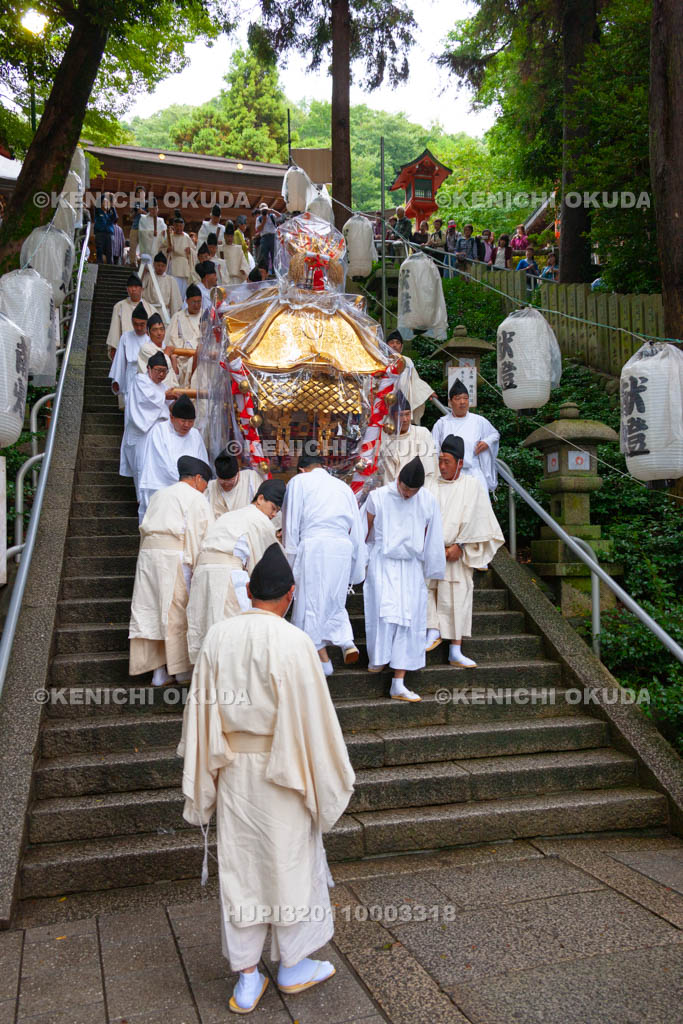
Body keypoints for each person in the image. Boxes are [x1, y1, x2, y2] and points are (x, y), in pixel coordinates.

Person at [177, 543, 355, 1014]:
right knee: (291, 864)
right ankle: (294, 965)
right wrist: (326, 776)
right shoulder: (294, 641)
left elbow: (201, 713)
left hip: (235, 769)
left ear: (249, 592)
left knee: (242, 869)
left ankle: (247, 977)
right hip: (286, 770)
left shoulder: (218, 636)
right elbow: (315, 721)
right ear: (290, 594)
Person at [363, 457, 445, 701]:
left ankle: (399, 680)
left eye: (413, 491)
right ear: (397, 479)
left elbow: (433, 536)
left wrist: (433, 567)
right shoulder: (377, 497)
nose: (407, 494)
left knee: (409, 620)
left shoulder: (427, 500)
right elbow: (364, 532)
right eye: (405, 489)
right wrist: (362, 562)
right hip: (383, 561)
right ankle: (378, 658)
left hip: (410, 565)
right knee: (382, 613)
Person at [129, 455, 213, 687]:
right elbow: (200, 535)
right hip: (174, 557)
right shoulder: (195, 498)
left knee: (152, 611)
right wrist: (198, 566)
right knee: (177, 613)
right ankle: (181, 671)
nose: (205, 488)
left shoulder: (158, 495)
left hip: (148, 557)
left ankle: (158, 671)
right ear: (198, 479)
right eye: (205, 483)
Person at [282, 449, 366, 676]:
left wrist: (289, 563)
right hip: (341, 548)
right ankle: (346, 640)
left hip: (315, 545)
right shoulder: (343, 487)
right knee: (334, 600)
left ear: (302, 468)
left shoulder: (299, 482)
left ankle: (324, 661)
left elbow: (291, 525)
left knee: (309, 603)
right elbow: (357, 531)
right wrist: (357, 568)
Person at [426, 434, 504, 667]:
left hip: (458, 552)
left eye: (447, 461)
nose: (442, 466)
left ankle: (455, 649)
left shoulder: (472, 485)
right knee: (428, 590)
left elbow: (480, 520)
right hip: (431, 550)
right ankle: (431, 629)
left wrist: (460, 546)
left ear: (460, 462)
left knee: (457, 595)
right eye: (440, 460)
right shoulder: (430, 483)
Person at [186, 479, 285, 663]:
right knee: (232, 628)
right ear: (260, 499)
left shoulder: (231, 515)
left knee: (206, 625)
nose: (273, 514)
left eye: (277, 511)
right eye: (273, 508)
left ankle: (207, 675)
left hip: (202, 573)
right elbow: (266, 562)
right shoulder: (260, 521)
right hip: (227, 574)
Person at [138, 395, 209, 521]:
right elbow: (161, 465)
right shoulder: (159, 431)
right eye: (183, 421)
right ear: (171, 417)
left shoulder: (195, 435)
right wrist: (188, 483)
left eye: (190, 421)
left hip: (191, 491)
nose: (187, 425)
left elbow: (202, 463)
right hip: (162, 487)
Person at [120, 351, 176, 497]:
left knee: (157, 466)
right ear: (148, 369)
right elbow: (146, 400)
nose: (161, 375)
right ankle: (142, 500)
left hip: (159, 433)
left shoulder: (163, 387)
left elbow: (168, 405)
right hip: (142, 432)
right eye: (158, 370)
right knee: (143, 465)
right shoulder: (140, 380)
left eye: (164, 371)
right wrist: (165, 396)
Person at [432, 379, 500, 491]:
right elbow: (433, 449)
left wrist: (487, 442)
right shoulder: (442, 424)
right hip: (450, 476)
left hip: (474, 473)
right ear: (450, 402)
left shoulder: (478, 421)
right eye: (458, 399)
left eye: (465, 398)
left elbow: (494, 434)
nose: (462, 402)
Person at [380, 392, 438, 484]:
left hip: (424, 487)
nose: (405, 419)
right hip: (399, 490)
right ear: (392, 416)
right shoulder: (387, 442)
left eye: (407, 414)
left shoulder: (422, 433)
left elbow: (429, 468)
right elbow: (389, 478)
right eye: (400, 415)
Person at [385, 329, 435, 423]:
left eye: (397, 343)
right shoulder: (381, 361)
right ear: (386, 345)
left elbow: (415, 380)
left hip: (404, 398)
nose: (394, 345)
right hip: (385, 399)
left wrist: (428, 392)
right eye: (391, 343)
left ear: (401, 346)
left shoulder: (407, 361)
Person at [109, 302, 150, 401]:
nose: (139, 328)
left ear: (146, 323)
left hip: (147, 377)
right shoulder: (126, 337)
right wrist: (117, 379)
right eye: (136, 324)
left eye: (142, 324)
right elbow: (120, 361)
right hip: (130, 376)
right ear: (132, 322)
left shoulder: (150, 338)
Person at [205, 450, 265, 519]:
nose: (226, 484)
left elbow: (264, 506)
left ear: (238, 473)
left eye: (230, 481)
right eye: (222, 481)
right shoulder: (211, 487)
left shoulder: (251, 478)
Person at [106, 274, 154, 357]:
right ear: (127, 289)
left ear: (141, 289)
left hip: (145, 350)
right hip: (125, 348)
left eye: (136, 286)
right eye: (131, 286)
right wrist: (114, 349)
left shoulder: (150, 309)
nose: (133, 289)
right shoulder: (119, 306)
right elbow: (115, 330)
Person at [167, 285, 203, 387]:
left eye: (199, 302)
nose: (196, 305)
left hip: (203, 360)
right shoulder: (178, 317)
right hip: (183, 361)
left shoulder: (206, 315)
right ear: (186, 301)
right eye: (193, 302)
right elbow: (171, 341)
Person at [136, 313, 180, 387]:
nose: (159, 333)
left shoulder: (165, 348)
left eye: (161, 329)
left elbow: (173, 377)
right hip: (153, 392)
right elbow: (158, 369)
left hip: (170, 393)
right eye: (155, 330)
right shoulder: (146, 348)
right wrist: (167, 354)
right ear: (147, 333)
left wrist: (173, 360)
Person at [142, 251, 182, 319]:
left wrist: (174, 317)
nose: (160, 268)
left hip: (164, 312)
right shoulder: (148, 276)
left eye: (163, 266)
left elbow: (175, 300)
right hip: (149, 310)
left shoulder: (171, 280)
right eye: (158, 265)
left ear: (166, 266)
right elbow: (141, 290)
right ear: (154, 264)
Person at [167, 215, 196, 295]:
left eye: (180, 226)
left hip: (184, 266)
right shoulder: (170, 237)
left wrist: (190, 250)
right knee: (173, 289)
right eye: (177, 226)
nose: (179, 228)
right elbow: (162, 248)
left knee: (183, 290)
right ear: (174, 226)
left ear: (183, 226)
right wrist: (167, 250)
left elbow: (194, 250)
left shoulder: (186, 237)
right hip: (174, 264)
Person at [253, 203, 281, 275]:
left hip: (273, 236)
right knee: (264, 257)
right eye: (263, 210)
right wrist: (264, 221)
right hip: (264, 238)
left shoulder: (272, 216)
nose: (264, 212)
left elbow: (280, 216)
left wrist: (272, 211)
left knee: (274, 256)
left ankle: (275, 273)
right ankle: (265, 273)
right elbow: (258, 229)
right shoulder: (259, 218)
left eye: (265, 210)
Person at [93, 194, 117, 264]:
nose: (106, 203)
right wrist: (106, 195)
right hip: (100, 233)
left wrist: (112, 207)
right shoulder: (98, 211)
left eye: (107, 202)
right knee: (99, 250)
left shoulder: (110, 214)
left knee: (110, 251)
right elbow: (98, 201)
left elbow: (115, 217)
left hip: (109, 234)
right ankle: (99, 265)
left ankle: (110, 266)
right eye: (104, 202)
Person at [128, 187, 146, 266]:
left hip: (145, 229)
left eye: (142, 192)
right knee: (133, 246)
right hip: (135, 227)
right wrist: (136, 212)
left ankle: (143, 263)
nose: (140, 194)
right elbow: (130, 216)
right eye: (139, 193)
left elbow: (153, 216)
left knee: (144, 247)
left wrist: (143, 212)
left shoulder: (148, 203)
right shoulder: (134, 204)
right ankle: (133, 263)